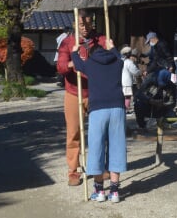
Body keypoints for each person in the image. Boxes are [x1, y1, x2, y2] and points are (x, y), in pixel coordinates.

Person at [71, 34, 126, 203]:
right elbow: (121, 59)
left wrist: (74, 52)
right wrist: (113, 48)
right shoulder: (117, 61)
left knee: (97, 147)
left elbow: (77, 65)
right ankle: (115, 191)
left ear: (92, 53)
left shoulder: (90, 63)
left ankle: (99, 190)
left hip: (98, 109)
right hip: (117, 107)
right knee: (117, 146)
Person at [56, 12, 106, 187]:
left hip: (96, 92)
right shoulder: (68, 42)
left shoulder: (100, 40)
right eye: (81, 24)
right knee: (74, 133)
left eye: (88, 24)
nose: (85, 28)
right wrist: (74, 62)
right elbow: (61, 66)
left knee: (99, 132)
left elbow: (112, 58)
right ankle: (73, 170)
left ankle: (98, 167)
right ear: (75, 25)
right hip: (74, 92)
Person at [120, 47, 141, 113]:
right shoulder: (128, 62)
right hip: (127, 82)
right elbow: (135, 71)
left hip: (120, 81)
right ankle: (126, 109)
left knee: (123, 96)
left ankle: (124, 108)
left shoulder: (120, 61)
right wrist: (139, 72)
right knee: (127, 96)